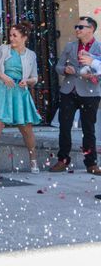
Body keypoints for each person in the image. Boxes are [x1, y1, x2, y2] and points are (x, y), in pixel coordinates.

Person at [0, 22, 42, 177]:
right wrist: (3, 76)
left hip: (20, 92)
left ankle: (33, 160)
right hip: (3, 89)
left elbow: (35, 78)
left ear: (24, 37)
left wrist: (27, 82)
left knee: (26, 128)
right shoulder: (3, 49)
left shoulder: (31, 55)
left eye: (15, 35)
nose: (11, 38)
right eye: (10, 35)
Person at [49, 17, 101, 175]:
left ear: (91, 29)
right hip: (69, 91)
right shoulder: (70, 46)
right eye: (76, 26)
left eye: (81, 27)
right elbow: (58, 66)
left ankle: (91, 163)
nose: (77, 29)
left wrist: (89, 74)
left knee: (88, 129)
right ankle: (62, 160)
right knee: (64, 127)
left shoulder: (99, 47)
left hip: (90, 93)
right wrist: (65, 70)